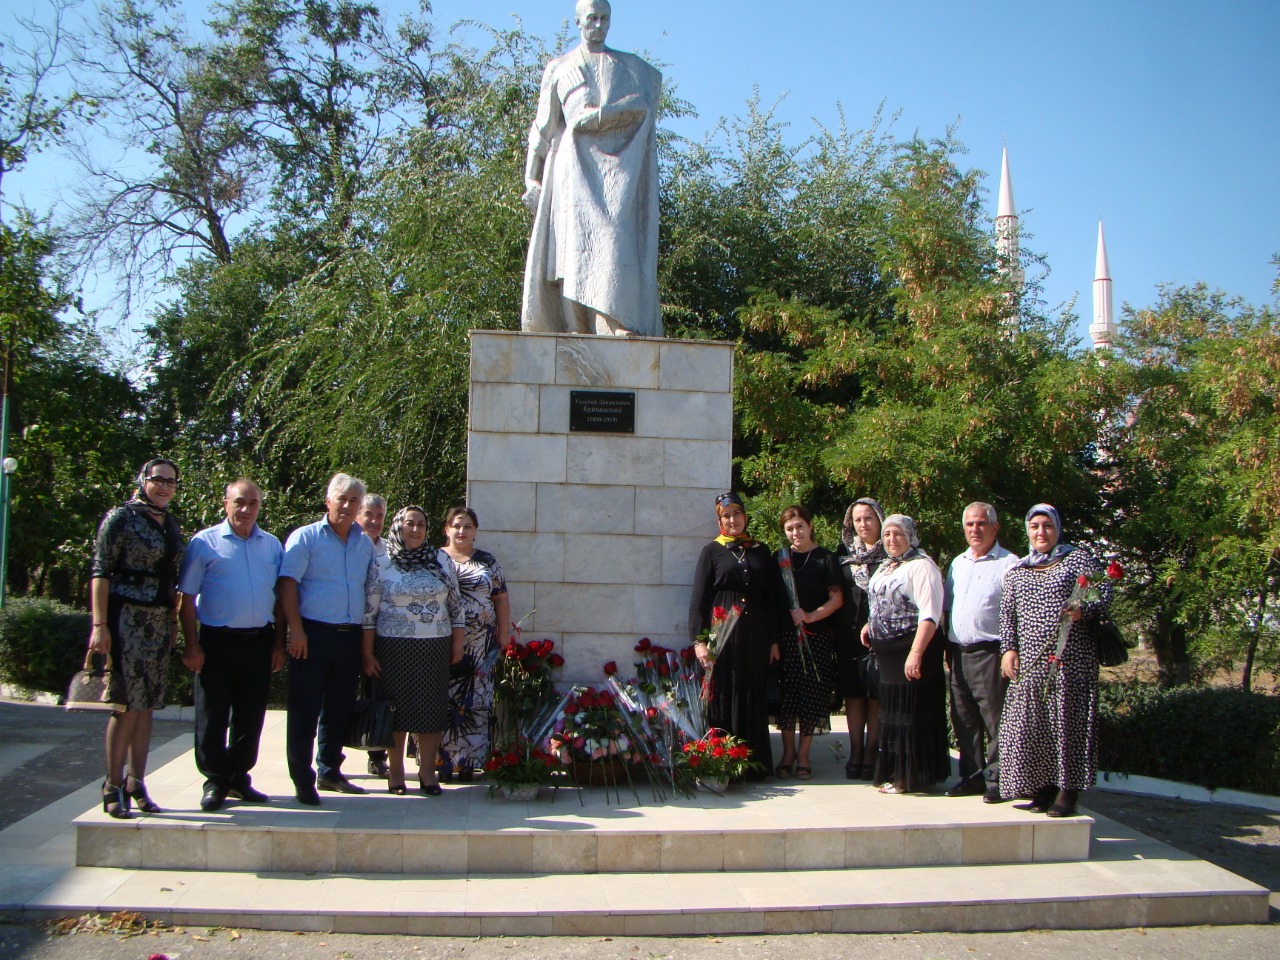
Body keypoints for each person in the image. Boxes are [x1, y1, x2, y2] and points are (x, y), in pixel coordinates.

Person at [521, 0, 662, 337]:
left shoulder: (629, 68)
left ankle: (609, 320)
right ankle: (575, 326)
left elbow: (645, 102)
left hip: (615, 173)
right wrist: (531, 177)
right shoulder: (560, 68)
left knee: (613, 239)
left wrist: (603, 116)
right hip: (571, 168)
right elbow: (542, 128)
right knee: (571, 248)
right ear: (578, 22)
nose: (598, 26)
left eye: (604, 19)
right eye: (591, 19)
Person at [998, 504, 1113, 818]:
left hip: (1068, 662)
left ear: (1057, 528)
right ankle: (1042, 789)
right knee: (1035, 728)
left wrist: (1083, 609)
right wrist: (1008, 650)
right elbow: (1007, 616)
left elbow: (1103, 593)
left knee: (1066, 727)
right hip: (1032, 666)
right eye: (1034, 526)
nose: (1040, 532)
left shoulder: (1076, 559)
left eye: (1047, 526)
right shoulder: (1019, 570)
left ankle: (1067, 793)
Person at [178, 479, 285, 812]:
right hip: (217, 641)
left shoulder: (271, 545)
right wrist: (192, 645)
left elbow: (280, 599)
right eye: (239, 502)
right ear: (225, 504)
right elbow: (186, 599)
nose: (246, 509)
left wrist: (279, 644)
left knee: (250, 715)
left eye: (253, 503)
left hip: (259, 640)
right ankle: (215, 779)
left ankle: (239, 776)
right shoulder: (205, 543)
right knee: (212, 713)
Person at [88, 458, 186, 818]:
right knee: (125, 705)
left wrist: (174, 623)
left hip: (159, 622)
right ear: (143, 480)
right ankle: (112, 784)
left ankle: (137, 781)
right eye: (157, 480)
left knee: (147, 706)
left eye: (171, 482)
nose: (163, 487)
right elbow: (100, 570)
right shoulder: (121, 517)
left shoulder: (169, 522)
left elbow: (172, 577)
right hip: (126, 618)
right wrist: (100, 626)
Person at [279, 473, 377, 805]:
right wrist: (296, 630)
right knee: (304, 709)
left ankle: (330, 770)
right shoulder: (306, 538)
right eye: (342, 499)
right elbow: (288, 584)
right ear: (328, 501)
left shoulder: (364, 544)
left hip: (348, 637)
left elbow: (369, 592)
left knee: (339, 708)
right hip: (312, 634)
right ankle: (302, 778)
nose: (348, 506)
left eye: (354, 501)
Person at [362, 506, 465, 796]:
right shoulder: (382, 561)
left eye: (421, 524)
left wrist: (457, 643)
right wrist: (367, 654)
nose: (416, 530)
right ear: (399, 526)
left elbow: (456, 607)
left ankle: (428, 773)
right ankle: (396, 774)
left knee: (430, 711)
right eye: (410, 524)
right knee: (396, 711)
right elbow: (369, 613)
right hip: (393, 648)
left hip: (435, 645)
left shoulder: (441, 559)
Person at [688, 492, 784, 777]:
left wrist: (774, 640)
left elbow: (773, 599)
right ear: (720, 520)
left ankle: (752, 765)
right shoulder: (712, 551)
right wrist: (699, 641)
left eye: (737, 514)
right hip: (722, 635)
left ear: (745, 515)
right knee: (724, 693)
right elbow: (698, 600)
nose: (733, 520)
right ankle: (723, 762)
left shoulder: (761, 551)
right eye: (726, 516)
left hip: (755, 636)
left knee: (752, 692)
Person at [861, 514, 949, 794]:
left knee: (911, 716)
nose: (891, 540)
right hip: (888, 657)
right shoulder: (887, 566)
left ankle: (908, 778)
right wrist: (870, 624)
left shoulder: (922, 566)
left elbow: (930, 613)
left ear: (910, 535)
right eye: (887, 535)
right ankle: (894, 772)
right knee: (893, 715)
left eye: (898, 534)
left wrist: (916, 652)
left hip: (912, 650)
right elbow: (881, 601)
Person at [942, 502, 1020, 803]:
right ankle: (971, 777)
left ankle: (998, 780)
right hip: (959, 652)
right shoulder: (958, 563)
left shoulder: (1009, 563)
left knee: (995, 720)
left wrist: (1009, 650)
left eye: (981, 524)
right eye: (970, 524)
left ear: (995, 527)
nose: (975, 529)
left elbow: (1014, 613)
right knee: (964, 719)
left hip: (991, 651)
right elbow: (948, 607)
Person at [439, 506, 512, 783]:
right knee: (441, 700)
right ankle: (441, 761)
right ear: (446, 529)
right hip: (440, 641)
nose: (461, 531)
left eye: (467, 526)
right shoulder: (436, 559)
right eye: (456, 525)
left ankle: (469, 762)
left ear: (475, 531)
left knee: (475, 701)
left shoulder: (487, 562)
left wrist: (504, 634)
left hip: (480, 645)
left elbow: (501, 598)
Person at [773, 506, 842, 780]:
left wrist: (810, 616)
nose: (795, 532)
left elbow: (836, 599)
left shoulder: (825, 559)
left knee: (812, 697)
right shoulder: (779, 559)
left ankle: (804, 754)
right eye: (790, 528)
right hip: (787, 638)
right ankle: (788, 752)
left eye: (800, 526)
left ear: (810, 526)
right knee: (789, 698)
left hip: (816, 637)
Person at [834, 497, 887, 780]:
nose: (863, 524)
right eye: (857, 520)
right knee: (853, 695)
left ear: (879, 519)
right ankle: (856, 751)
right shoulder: (844, 553)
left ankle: (871, 751)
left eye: (868, 518)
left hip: (882, 636)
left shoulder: (892, 553)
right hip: (848, 635)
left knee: (875, 695)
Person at [358, 494, 391, 780]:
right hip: (343, 627)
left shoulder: (388, 550)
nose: (374, 521)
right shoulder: (348, 545)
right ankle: (328, 758)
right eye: (369, 514)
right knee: (337, 695)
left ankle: (376, 754)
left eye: (379, 516)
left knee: (376, 694)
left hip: (377, 632)